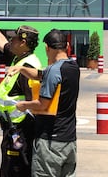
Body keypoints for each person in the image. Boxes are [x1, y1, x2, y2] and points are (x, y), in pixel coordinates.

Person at [8, 29, 80, 177]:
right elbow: (42, 75)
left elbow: (42, 104)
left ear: (47, 48)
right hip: (69, 141)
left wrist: (23, 105)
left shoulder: (54, 70)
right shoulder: (73, 67)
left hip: (50, 143)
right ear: (67, 45)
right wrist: (22, 68)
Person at [0, 2, 42, 177]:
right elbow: (0, 42)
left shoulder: (28, 68)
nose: (10, 41)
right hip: (12, 130)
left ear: (23, 43)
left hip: (21, 132)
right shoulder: (20, 58)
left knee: (16, 171)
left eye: (14, 39)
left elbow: (37, 105)